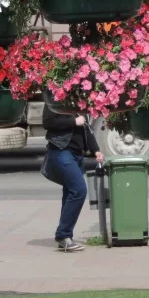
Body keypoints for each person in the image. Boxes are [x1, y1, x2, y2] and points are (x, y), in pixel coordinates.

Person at [42, 105, 104, 253]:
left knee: (71, 192)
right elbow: (48, 122)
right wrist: (73, 122)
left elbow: (86, 128)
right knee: (79, 190)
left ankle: (65, 237)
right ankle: (63, 235)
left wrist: (96, 150)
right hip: (61, 150)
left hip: (76, 153)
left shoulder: (79, 101)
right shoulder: (55, 98)